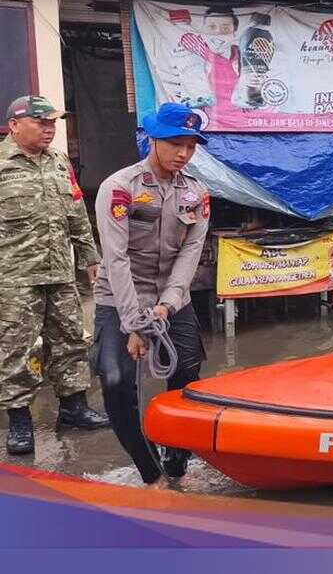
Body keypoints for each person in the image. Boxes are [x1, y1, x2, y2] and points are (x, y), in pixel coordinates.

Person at [92, 102, 210, 485]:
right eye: (176, 143)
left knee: (188, 374)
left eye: (191, 146)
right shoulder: (120, 188)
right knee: (115, 380)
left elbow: (191, 252)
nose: (184, 154)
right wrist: (134, 323)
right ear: (153, 139)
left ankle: (177, 458)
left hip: (172, 301)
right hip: (120, 299)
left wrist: (168, 304)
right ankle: (148, 468)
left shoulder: (196, 193)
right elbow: (116, 257)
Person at [1, 96, 109, 456]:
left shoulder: (60, 162)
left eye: (53, 123)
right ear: (14, 125)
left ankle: (74, 408)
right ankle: (19, 420)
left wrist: (89, 257)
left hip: (60, 273)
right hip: (15, 278)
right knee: (17, 349)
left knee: (70, 339)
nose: (50, 129)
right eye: (41, 122)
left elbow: (76, 212)